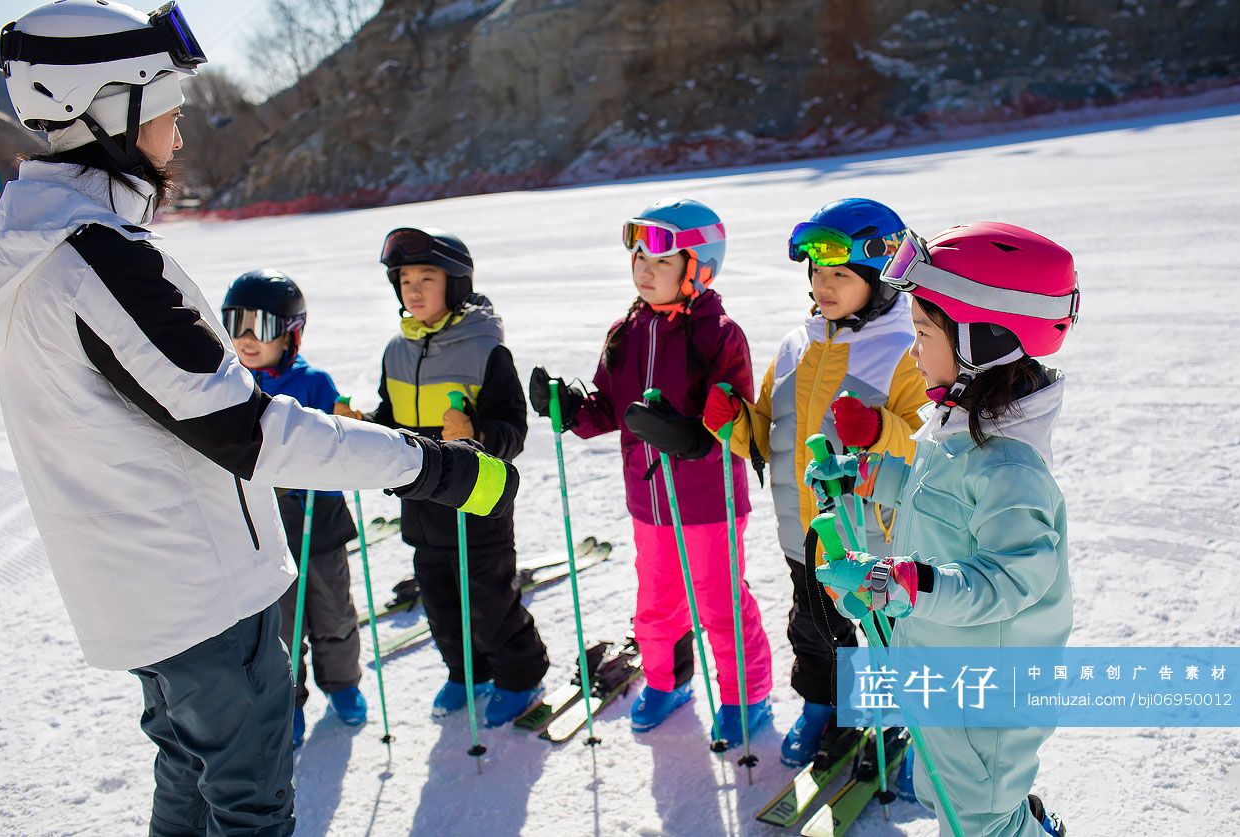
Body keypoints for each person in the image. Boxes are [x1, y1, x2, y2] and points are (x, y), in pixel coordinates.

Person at [0, 3, 516, 834]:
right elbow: (254, 431)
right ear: (107, 108)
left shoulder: (25, 245)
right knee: (250, 800)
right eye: (165, 106)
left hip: (137, 594)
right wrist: (435, 468)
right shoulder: (97, 261)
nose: (177, 131)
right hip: (197, 593)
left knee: (190, 772)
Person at [806, 222, 1076, 836]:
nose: (912, 351)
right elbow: (939, 501)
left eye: (923, 334)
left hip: (987, 692)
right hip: (942, 662)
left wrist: (905, 583)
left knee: (975, 818)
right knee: (944, 793)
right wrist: (871, 479)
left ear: (983, 340)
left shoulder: (1010, 465)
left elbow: (1013, 578)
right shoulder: (959, 426)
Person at [531, 198, 772, 746]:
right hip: (650, 503)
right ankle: (667, 682)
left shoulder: (720, 334)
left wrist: (692, 436)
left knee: (719, 603)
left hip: (709, 501)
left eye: (661, 261)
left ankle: (746, 695)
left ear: (698, 268)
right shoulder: (627, 330)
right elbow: (608, 412)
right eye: (638, 257)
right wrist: (569, 410)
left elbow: (734, 419)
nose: (644, 269)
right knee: (656, 605)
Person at [703, 198, 929, 766]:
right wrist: (732, 423)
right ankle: (827, 708)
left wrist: (880, 430)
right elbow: (767, 438)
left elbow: (925, 451)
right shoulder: (795, 345)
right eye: (817, 273)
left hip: (877, 536)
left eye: (840, 275)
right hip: (806, 533)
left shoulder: (907, 350)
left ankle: (900, 724)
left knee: (886, 637)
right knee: (816, 631)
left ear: (880, 279)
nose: (823, 286)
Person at [350, 226, 548, 726]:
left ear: (455, 283)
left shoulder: (486, 350)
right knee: (439, 598)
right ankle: (467, 672)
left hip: (477, 504)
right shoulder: (396, 350)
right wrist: (366, 428)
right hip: (421, 505)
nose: (413, 290)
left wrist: (476, 432)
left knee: (489, 598)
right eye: (405, 280)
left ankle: (521, 677)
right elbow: (393, 423)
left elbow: (514, 431)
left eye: (427, 278)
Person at [223, 269, 368, 749]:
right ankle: (290, 703)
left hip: (318, 521)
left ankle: (343, 686)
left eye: (259, 326)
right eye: (235, 323)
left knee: (332, 615)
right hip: (263, 529)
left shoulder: (313, 381)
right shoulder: (227, 386)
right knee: (281, 628)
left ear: (290, 333)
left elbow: (338, 439)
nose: (245, 338)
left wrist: (348, 424)